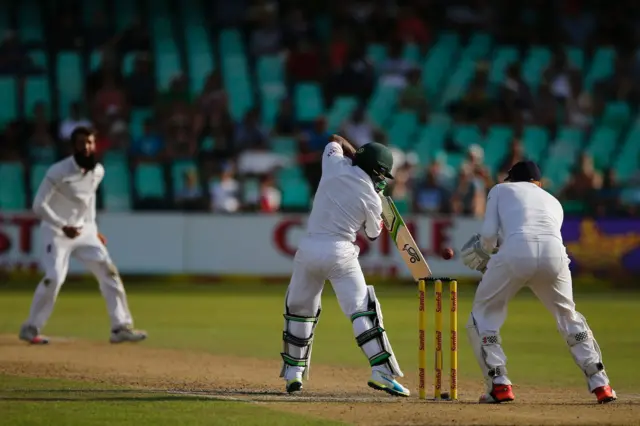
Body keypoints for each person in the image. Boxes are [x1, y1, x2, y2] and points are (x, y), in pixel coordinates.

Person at [460, 161, 616, 404]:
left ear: (510, 180)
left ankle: (499, 384)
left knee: (482, 315)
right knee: (568, 315)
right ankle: (601, 383)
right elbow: (538, 234)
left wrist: (484, 251)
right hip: (556, 256)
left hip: (516, 254)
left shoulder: (500, 190)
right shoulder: (553, 200)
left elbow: (490, 235)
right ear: (539, 184)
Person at [279, 135, 409, 397]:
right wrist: (377, 196)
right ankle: (382, 372)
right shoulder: (373, 197)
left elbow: (335, 139)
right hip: (340, 253)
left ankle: (293, 374)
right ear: (376, 170)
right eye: (382, 174)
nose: (383, 179)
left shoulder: (333, 163)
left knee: (300, 309)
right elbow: (373, 234)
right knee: (362, 310)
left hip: (308, 249)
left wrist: (356, 155)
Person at [19, 127, 147, 345]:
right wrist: (62, 225)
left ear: (94, 144)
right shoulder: (58, 171)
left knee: (109, 272)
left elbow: (88, 200)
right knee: (54, 277)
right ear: (73, 146)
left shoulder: (97, 171)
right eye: (81, 143)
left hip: (84, 230)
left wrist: (93, 229)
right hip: (56, 231)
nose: (86, 147)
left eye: (89, 142)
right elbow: (38, 205)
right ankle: (31, 327)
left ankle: (120, 327)